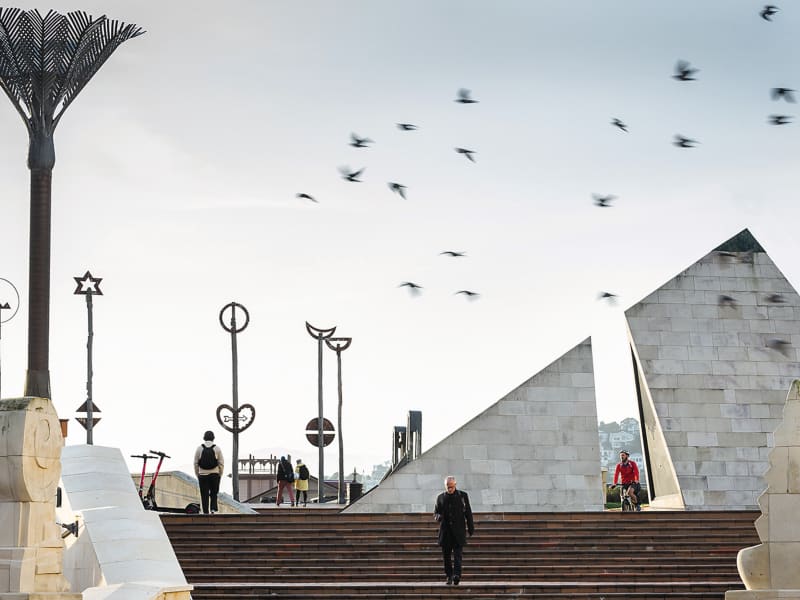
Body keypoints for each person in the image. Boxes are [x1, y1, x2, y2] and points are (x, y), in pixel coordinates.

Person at [433, 475, 474, 586]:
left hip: (458, 531)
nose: (449, 488)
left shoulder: (462, 496)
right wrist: (438, 517)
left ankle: (456, 575)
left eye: (451, 486)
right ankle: (449, 576)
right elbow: (436, 512)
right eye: (448, 486)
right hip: (446, 532)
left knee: (457, 556)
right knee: (446, 557)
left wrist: (471, 527)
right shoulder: (440, 497)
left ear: (455, 485)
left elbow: (468, 512)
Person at [194, 430, 224, 515]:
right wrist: (220, 474)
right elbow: (221, 463)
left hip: (203, 475)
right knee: (214, 493)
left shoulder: (199, 448)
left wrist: (197, 473)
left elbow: (195, 463)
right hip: (214, 474)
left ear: (204, 438)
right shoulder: (217, 448)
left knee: (204, 494)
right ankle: (213, 509)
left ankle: (205, 512)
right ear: (213, 438)